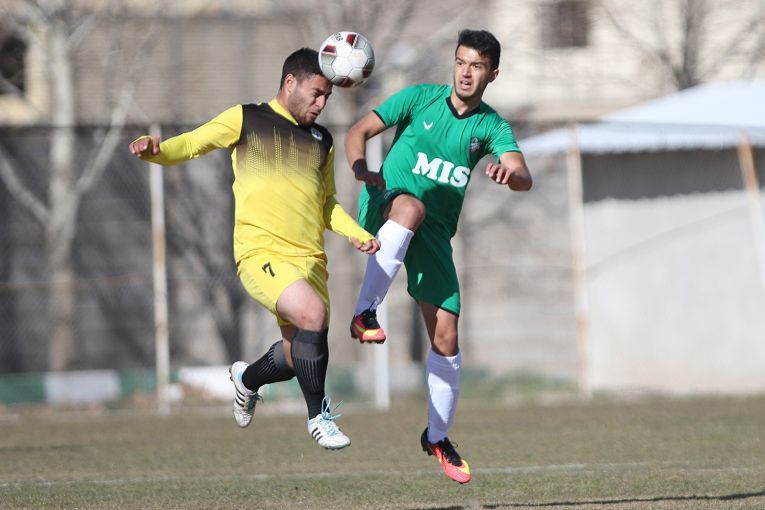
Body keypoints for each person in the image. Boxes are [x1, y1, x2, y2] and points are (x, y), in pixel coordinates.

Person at [129, 48, 380, 450]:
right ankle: (319, 418)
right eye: (316, 94)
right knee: (312, 315)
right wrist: (157, 152)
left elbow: (327, 204)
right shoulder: (247, 119)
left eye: (327, 97)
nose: (321, 104)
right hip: (261, 253)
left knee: (296, 357)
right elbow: (191, 144)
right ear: (290, 83)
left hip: (310, 260)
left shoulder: (323, 140)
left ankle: (246, 380)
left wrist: (355, 232)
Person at [345, 29, 532, 482]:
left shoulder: (490, 126)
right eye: (461, 62)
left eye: (477, 66)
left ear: (493, 74)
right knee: (412, 207)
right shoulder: (420, 98)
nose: (466, 73)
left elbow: (523, 174)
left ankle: (437, 436)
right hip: (386, 200)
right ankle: (365, 313)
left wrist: (510, 174)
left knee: (446, 336)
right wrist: (361, 169)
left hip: (433, 234)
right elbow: (358, 131)